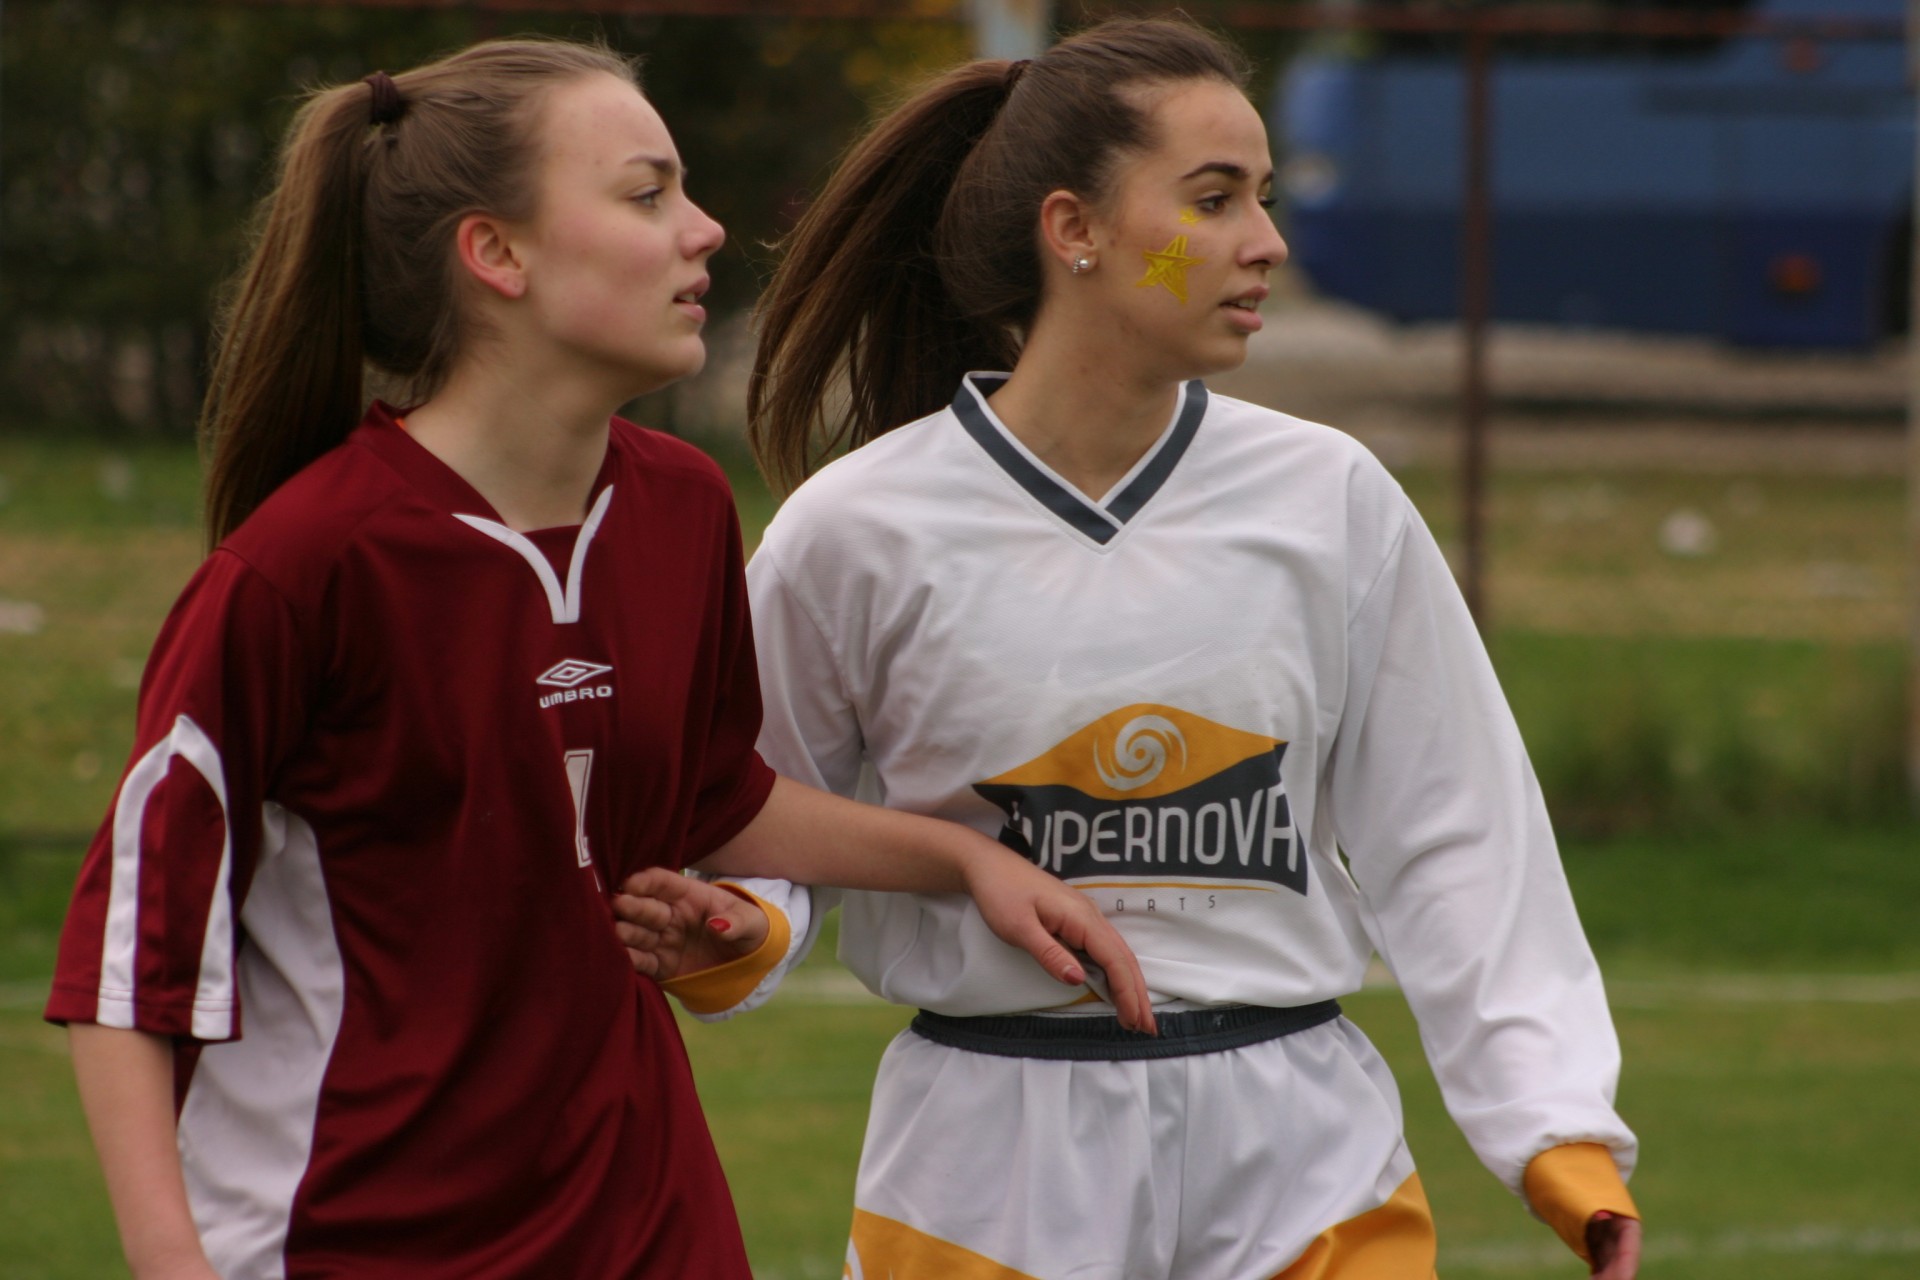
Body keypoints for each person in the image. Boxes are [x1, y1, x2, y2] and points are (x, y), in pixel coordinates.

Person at [43, 37, 1151, 1280]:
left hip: (650, 1227)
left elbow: (715, 796)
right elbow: (133, 958)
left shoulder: (682, 506)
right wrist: (171, 1257)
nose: (706, 229)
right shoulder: (308, 566)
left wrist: (965, 860)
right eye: (646, 193)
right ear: (496, 254)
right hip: (363, 1238)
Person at [615, 17, 1642, 1280]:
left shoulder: (1331, 497)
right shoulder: (855, 528)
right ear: (1075, 230)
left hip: (1308, 1159)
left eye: (1263, 198)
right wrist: (745, 928)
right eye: (1213, 200)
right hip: (985, 1166)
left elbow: (1459, 829)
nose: (1265, 242)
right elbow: (752, 806)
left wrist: (1558, 1129)